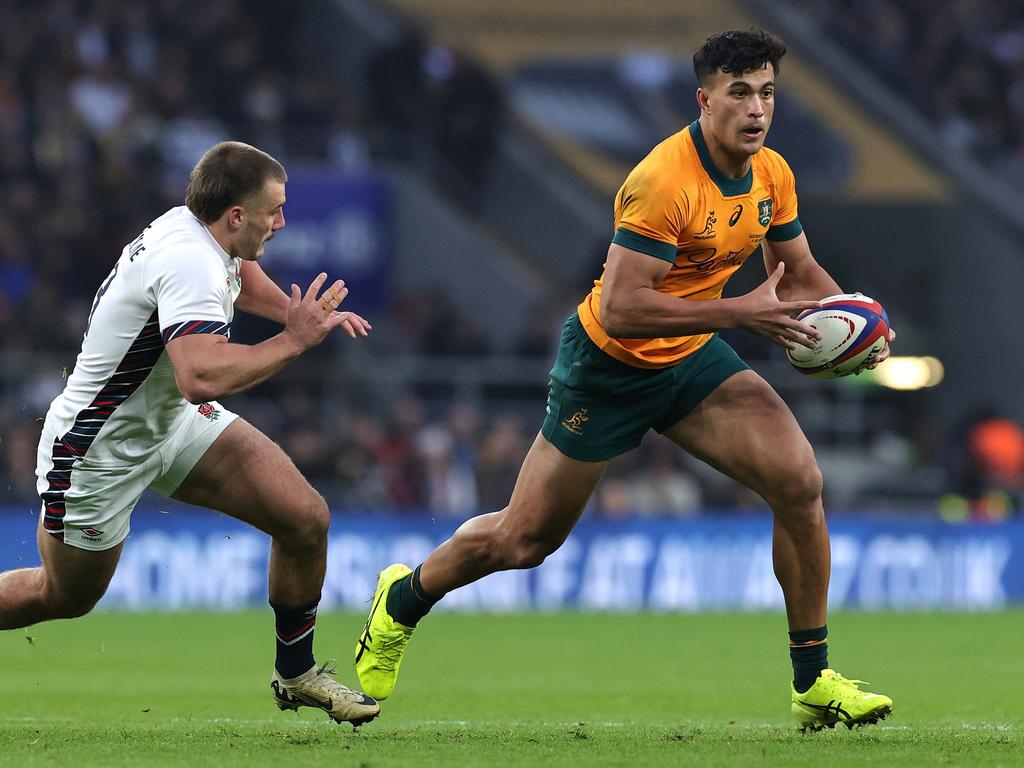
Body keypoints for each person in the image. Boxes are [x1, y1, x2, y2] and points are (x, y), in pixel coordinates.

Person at [354, 30, 896, 731]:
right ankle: (403, 600)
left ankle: (812, 681)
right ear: (704, 100)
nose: (757, 109)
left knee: (799, 483)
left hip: (692, 357)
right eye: (739, 94)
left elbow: (799, 269)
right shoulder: (663, 180)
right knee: (523, 542)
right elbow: (622, 305)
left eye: (766, 93)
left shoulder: (773, 173)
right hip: (609, 364)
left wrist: (863, 320)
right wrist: (738, 312)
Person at [0, 141, 380, 727]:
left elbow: (240, 272)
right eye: (273, 210)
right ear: (235, 215)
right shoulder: (190, 262)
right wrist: (292, 343)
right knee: (64, 596)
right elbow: (200, 374)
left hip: (169, 422)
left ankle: (297, 673)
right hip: (98, 451)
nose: (281, 221)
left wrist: (294, 315)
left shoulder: (198, 231)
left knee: (305, 517)